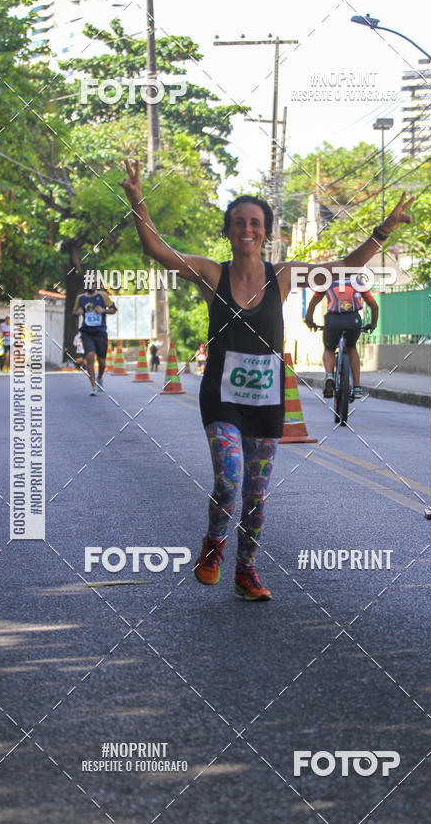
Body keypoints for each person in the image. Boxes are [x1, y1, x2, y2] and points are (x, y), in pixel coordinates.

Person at [120, 159, 413, 600]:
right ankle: (214, 544)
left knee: (256, 494)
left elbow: (343, 267)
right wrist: (138, 201)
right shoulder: (211, 274)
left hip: (266, 401)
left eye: (255, 223)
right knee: (229, 481)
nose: (247, 229)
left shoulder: (284, 275)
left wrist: (384, 230)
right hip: (221, 398)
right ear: (228, 231)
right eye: (239, 222)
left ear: (266, 232)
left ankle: (246, 570)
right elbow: (157, 251)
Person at [304, 272, 379, 398]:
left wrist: (309, 320)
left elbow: (313, 303)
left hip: (333, 321)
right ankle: (357, 387)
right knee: (351, 347)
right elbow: (374, 306)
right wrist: (373, 324)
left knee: (329, 348)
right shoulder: (358, 283)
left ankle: (329, 375)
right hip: (353, 320)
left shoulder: (327, 282)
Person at [73, 282, 117, 395]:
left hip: (100, 332)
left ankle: (100, 377)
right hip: (87, 332)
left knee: (102, 362)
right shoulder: (80, 298)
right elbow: (74, 312)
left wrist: (104, 311)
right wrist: (77, 313)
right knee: (90, 356)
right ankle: (93, 386)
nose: (91, 285)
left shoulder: (103, 296)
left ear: (96, 284)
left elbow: (113, 309)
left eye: (93, 283)